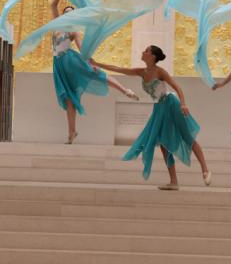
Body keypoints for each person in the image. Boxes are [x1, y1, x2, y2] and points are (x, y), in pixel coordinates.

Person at [91, 45, 212, 190]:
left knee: (187, 137)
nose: (143, 52)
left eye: (146, 51)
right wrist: (97, 64)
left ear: (153, 56)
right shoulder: (141, 72)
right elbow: (119, 69)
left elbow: (177, 87)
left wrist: (183, 104)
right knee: (163, 144)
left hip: (171, 104)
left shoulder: (160, 71)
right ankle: (174, 181)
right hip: (159, 108)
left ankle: (205, 170)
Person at [50, 0, 139, 144]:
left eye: (72, 12)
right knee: (69, 99)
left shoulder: (73, 32)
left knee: (95, 73)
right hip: (58, 65)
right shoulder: (57, 24)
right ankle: (72, 132)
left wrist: (91, 62)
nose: (69, 13)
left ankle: (125, 90)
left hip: (69, 60)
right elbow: (53, 5)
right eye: (67, 11)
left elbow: (83, 49)